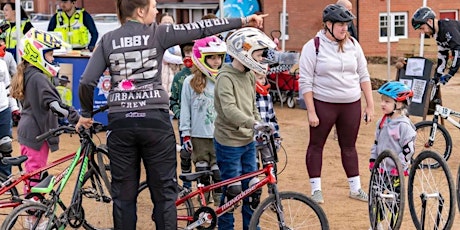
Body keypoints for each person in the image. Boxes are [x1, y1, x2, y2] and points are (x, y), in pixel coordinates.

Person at [75, 0, 267, 229]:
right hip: (155, 122)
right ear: (140, 10)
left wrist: (86, 114)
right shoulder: (159, 33)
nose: (157, 11)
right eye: (154, 6)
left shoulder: (107, 40)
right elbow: (202, 29)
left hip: (121, 123)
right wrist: (245, 21)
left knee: (123, 198)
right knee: (165, 195)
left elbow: (87, 81)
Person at [298, 4, 374, 204]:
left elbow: (364, 75)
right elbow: (305, 81)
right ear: (328, 25)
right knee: (316, 145)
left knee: (349, 146)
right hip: (324, 103)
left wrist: (370, 105)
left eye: (347, 25)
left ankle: (355, 189)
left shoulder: (353, 45)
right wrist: (311, 112)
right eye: (340, 25)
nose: (344, 29)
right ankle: (316, 190)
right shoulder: (312, 46)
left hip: (351, 103)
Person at [214, 27, 276, 230]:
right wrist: (253, 123)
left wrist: (260, 125)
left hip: (248, 141)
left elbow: (252, 106)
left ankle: (252, 226)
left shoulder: (249, 75)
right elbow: (229, 110)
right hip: (229, 142)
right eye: (258, 55)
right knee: (232, 190)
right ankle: (226, 227)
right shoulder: (225, 77)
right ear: (244, 51)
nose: (260, 59)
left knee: (252, 189)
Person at [10, 28, 80, 193]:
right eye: (50, 54)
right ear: (37, 54)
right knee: (35, 176)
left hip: (30, 130)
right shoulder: (38, 77)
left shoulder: (30, 73)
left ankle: (32, 212)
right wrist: (76, 118)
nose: (53, 58)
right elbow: (54, 105)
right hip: (37, 133)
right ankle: (33, 215)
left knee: (33, 174)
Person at [180, 35, 227, 204]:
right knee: (202, 171)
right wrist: (185, 134)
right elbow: (185, 109)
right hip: (199, 136)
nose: (216, 61)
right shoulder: (189, 82)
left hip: (219, 135)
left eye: (219, 57)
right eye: (212, 57)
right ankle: (203, 207)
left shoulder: (223, 79)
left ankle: (220, 204)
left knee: (218, 172)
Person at [370, 81, 416, 176]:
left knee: (396, 191)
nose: (382, 104)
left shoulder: (403, 125)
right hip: (381, 168)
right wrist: (373, 159)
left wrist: (399, 166)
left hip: (397, 171)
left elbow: (408, 150)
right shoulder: (381, 122)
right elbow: (376, 143)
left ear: (398, 104)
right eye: (382, 100)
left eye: (387, 101)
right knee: (375, 190)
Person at [411, 6, 460, 85]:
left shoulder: (448, 28)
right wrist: (437, 76)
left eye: (422, 28)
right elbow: (442, 56)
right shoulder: (437, 34)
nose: (423, 32)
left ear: (430, 21)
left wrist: (450, 74)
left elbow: (458, 51)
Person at [254, 72, 281, 167]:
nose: (263, 81)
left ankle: (273, 182)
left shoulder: (267, 96)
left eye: (264, 78)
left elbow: (272, 118)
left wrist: (276, 136)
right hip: (252, 140)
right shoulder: (247, 97)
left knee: (270, 165)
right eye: (260, 78)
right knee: (253, 166)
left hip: (267, 139)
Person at [0, 50, 18, 177]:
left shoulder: (2, 64)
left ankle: (5, 181)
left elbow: (8, 87)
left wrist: (14, 107)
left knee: (5, 146)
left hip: (3, 110)